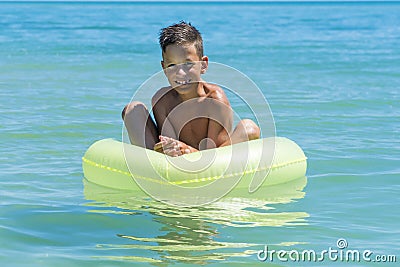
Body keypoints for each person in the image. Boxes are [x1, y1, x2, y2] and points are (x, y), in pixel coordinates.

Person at [122, 21, 260, 157]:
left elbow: (215, 154)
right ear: (164, 68)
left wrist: (186, 150)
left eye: (188, 64)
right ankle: (148, 165)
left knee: (249, 128)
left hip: (211, 157)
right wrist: (169, 148)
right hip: (176, 157)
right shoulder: (162, 100)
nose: (181, 73)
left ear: (203, 64)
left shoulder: (215, 100)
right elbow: (168, 143)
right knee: (132, 109)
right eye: (172, 66)